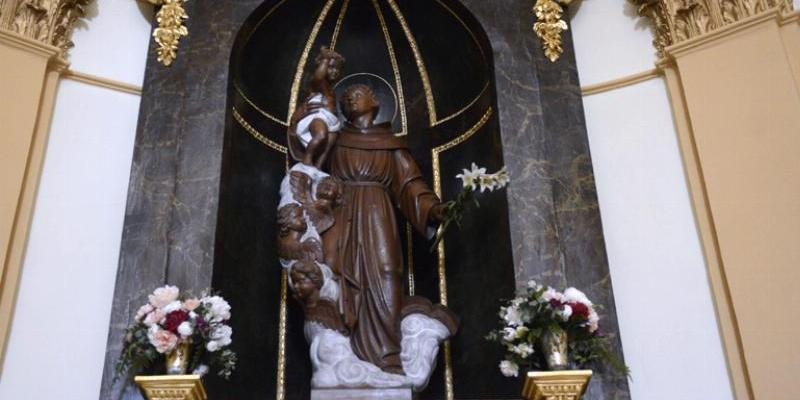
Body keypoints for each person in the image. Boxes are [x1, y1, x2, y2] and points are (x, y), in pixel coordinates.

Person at [317, 83, 448, 374]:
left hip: (378, 214)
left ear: (375, 101)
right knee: (340, 277)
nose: (350, 98)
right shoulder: (335, 141)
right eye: (347, 96)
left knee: (387, 271)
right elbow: (308, 161)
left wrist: (433, 208)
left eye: (358, 94)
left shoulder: (390, 143)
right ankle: (346, 352)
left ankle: (387, 354)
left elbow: (410, 185)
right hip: (343, 215)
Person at [288, 47, 345, 168]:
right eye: (331, 67)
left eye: (337, 69)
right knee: (321, 135)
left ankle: (317, 167)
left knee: (330, 143)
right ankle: (307, 159)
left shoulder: (330, 90)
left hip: (332, 122)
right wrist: (325, 59)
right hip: (320, 117)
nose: (335, 71)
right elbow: (318, 77)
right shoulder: (319, 85)